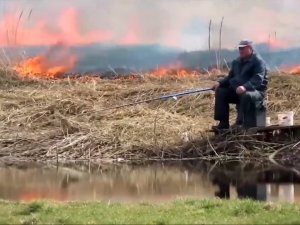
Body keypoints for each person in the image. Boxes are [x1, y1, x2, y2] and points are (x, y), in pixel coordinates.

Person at [212, 39, 268, 130]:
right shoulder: (236, 62)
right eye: (239, 48)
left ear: (250, 49)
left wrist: (245, 87)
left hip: (256, 92)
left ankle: (240, 123)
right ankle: (223, 123)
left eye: (243, 48)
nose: (240, 50)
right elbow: (230, 77)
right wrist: (219, 82)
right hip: (238, 91)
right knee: (221, 92)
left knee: (245, 95)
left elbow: (258, 78)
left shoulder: (258, 62)